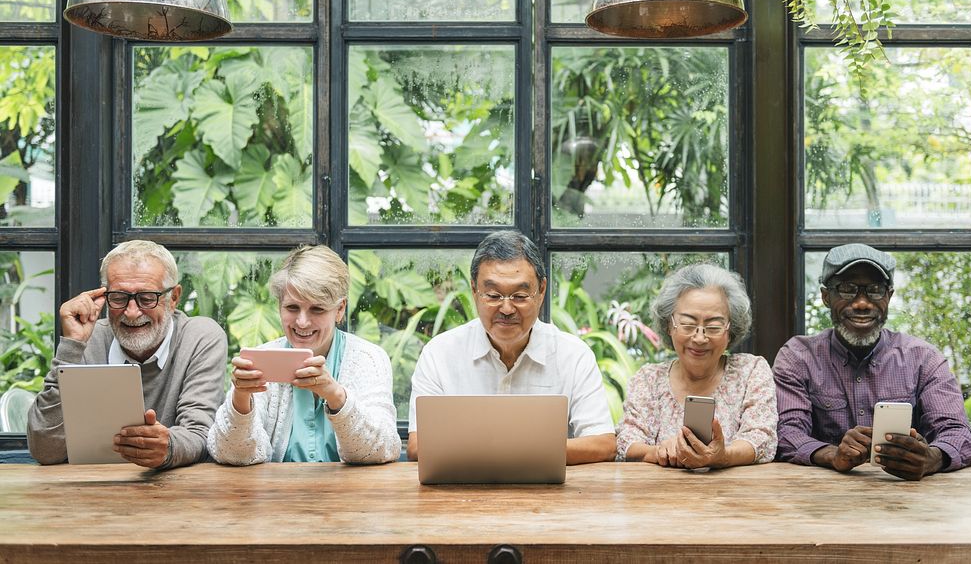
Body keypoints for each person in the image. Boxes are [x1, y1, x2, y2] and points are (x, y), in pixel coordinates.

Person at [773, 243, 971, 480]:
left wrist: (932, 458)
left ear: (889, 297)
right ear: (826, 296)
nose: (862, 303)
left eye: (874, 290)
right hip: (820, 499)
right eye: (848, 289)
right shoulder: (798, 357)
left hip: (908, 498)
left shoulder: (923, 358)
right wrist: (832, 455)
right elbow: (786, 432)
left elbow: (959, 433)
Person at [407, 231, 616, 464]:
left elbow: (603, 444)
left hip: (550, 495)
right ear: (475, 291)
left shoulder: (573, 355)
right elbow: (418, 445)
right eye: (494, 295)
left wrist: (509, 452)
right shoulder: (440, 353)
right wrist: (529, 451)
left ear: (542, 291)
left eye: (519, 295)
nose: (506, 309)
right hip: (462, 494)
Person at [27, 240, 228, 468]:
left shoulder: (200, 337)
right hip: (93, 486)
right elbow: (44, 449)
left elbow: (200, 434)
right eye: (119, 298)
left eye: (147, 297)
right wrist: (71, 346)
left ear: (173, 298)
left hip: (176, 489)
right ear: (105, 297)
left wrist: (168, 447)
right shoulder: (87, 340)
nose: (132, 313)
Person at [208, 245, 400, 464]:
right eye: (291, 307)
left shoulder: (368, 358)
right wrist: (241, 399)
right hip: (277, 495)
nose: (302, 322)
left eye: (317, 309)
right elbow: (228, 454)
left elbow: (383, 448)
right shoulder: (261, 358)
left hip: (352, 495)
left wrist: (335, 395)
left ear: (339, 310)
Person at [616, 263, 777, 468]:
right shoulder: (648, 380)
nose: (700, 338)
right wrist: (659, 452)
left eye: (713, 326)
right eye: (688, 324)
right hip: (659, 496)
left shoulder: (751, 371)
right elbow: (626, 442)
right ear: (669, 325)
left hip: (735, 496)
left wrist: (723, 456)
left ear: (731, 329)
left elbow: (762, 437)